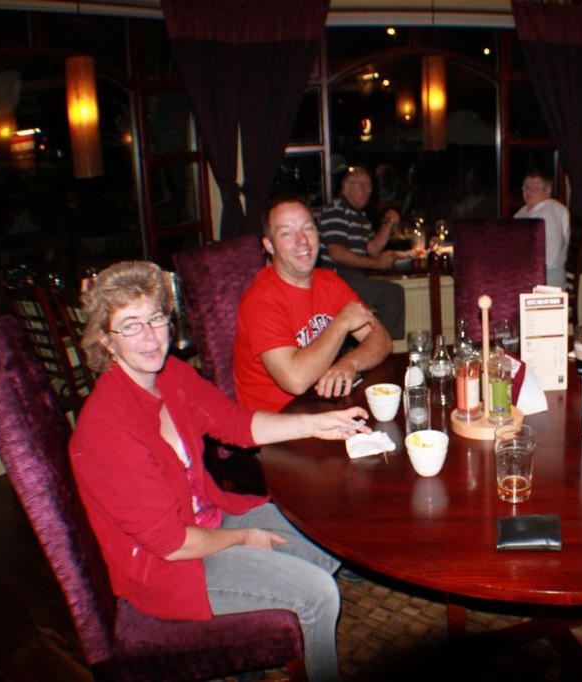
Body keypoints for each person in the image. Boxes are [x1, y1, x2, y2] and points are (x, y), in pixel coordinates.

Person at [70, 260, 370, 682]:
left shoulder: (170, 375)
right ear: (106, 339)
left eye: (155, 318)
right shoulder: (108, 431)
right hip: (171, 568)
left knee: (327, 533)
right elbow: (170, 544)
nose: (150, 337)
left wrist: (318, 425)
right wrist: (244, 539)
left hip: (208, 518)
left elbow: (235, 424)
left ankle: (255, 625)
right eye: (130, 325)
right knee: (319, 595)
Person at [234, 195, 392, 413]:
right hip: (278, 422)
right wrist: (342, 322)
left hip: (321, 409)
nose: (302, 241)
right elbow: (296, 380)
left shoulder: (329, 282)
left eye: (308, 228)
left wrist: (349, 363)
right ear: (269, 245)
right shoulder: (260, 301)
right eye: (287, 233)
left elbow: (381, 339)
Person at [318, 167, 406, 339]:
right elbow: (336, 253)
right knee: (392, 294)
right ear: (345, 187)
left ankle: (373, 343)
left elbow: (373, 248)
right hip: (335, 277)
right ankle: (380, 346)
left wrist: (388, 223)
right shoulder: (337, 211)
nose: (367, 191)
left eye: (369, 187)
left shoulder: (360, 216)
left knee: (391, 293)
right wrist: (377, 264)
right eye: (362, 186)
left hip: (351, 277)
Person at [513, 172, 570, 288]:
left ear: (548, 190)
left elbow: (551, 257)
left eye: (535, 188)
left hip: (546, 278)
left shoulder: (551, 211)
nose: (528, 191)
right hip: (526, 273)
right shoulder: (523, 211)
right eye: (526, 187)